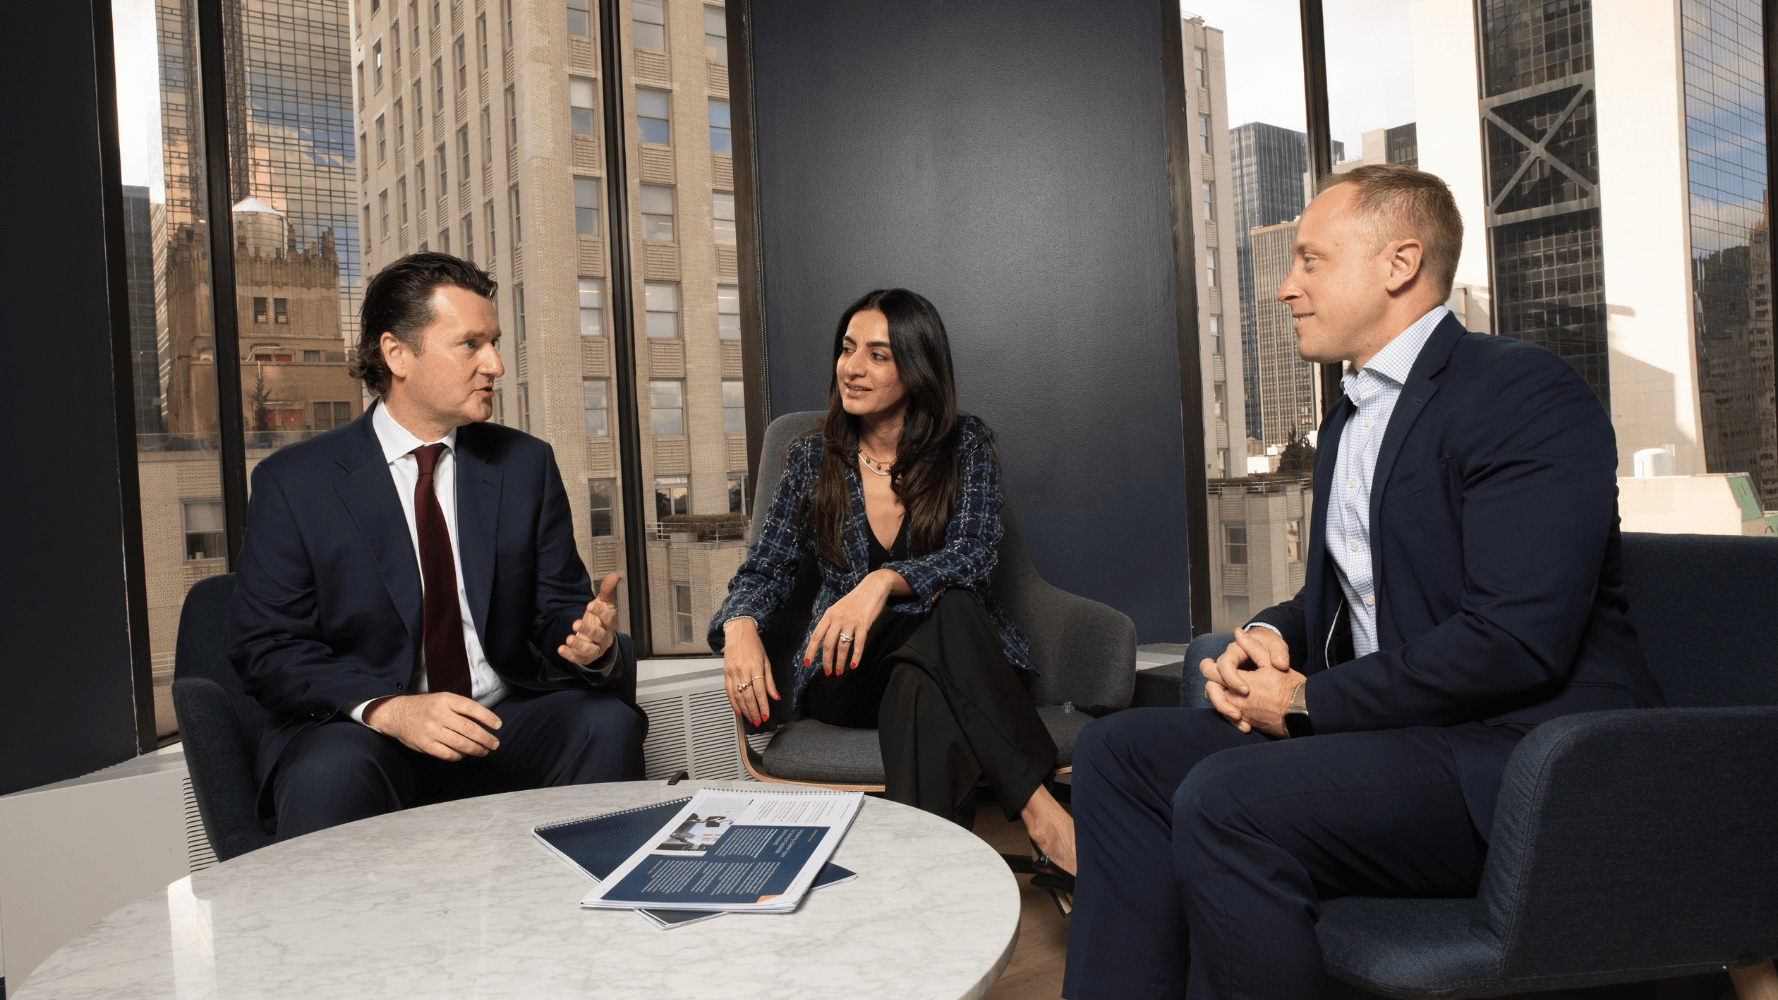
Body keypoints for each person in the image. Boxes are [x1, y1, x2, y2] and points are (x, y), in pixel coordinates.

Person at [1062, 166, 1663, 999]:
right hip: (1395, 738)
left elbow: (1515, 640)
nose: (1286, 287)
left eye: (1310, 260)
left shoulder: (1523, 392)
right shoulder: (1351, 416)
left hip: (1513, 760)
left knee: (1225, 801)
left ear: (1399, 263)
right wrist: (1267, 637)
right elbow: (1349, 599)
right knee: (1115, 753)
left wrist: (1306, 701)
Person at [232, 252, 646, 840]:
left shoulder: (524, 465)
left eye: (494, 343)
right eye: (471, 345)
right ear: (397, 354)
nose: (495, 364)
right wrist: (389, 709)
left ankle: (592, 895)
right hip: (369, 731)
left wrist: (587, 642)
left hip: (499, 720)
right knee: (329, 771)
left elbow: (556, 610)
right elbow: (269, 649)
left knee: (605, 725)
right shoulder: (294, 483)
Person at [708, 288, 1076, 871]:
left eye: (877, 355)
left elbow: (975, 556)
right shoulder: (810, 460)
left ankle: (923, 880)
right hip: (847, 671)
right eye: (847, 349)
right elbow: (763, 569)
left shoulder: (965, 445)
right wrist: (740, 626)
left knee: (928, 664)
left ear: (917, 368)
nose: (852, 368)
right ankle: (1040, 809)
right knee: (949, 613)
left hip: (947, 663)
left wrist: (880, 584)